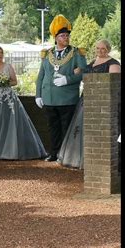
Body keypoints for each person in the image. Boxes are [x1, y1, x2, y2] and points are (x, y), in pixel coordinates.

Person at [0, 46, 47, 160]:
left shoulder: (8, 66)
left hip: (8, 97)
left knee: (8, 122)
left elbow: (15, 81)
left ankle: (9, 151)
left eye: (1, 53)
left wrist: (6, 82)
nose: (0, 55)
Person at [57, 39, 120, 169]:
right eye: (97, 48)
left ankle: (98, 160)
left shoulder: (114, 64)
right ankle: (81, 158)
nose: (100, 51)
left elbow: (114, 84)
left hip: (103, 102)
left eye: (103, 48)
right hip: (87, 99)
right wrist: (77, 71)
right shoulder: (93, 62)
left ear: (108, 49)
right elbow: (83, 75)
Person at [35, 14, 87, 162]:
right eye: (63, 36)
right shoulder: (47, 53)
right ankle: (54, 153)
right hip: (49, 97)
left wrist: (67, 79)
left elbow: (84, 72)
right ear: (56, 38)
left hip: (67, 98)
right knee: (53, 128)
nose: (66, 38)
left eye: (67, 35)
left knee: (67, 128)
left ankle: (66, 155)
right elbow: (41, 75)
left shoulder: (77, 53)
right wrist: (38, 95)